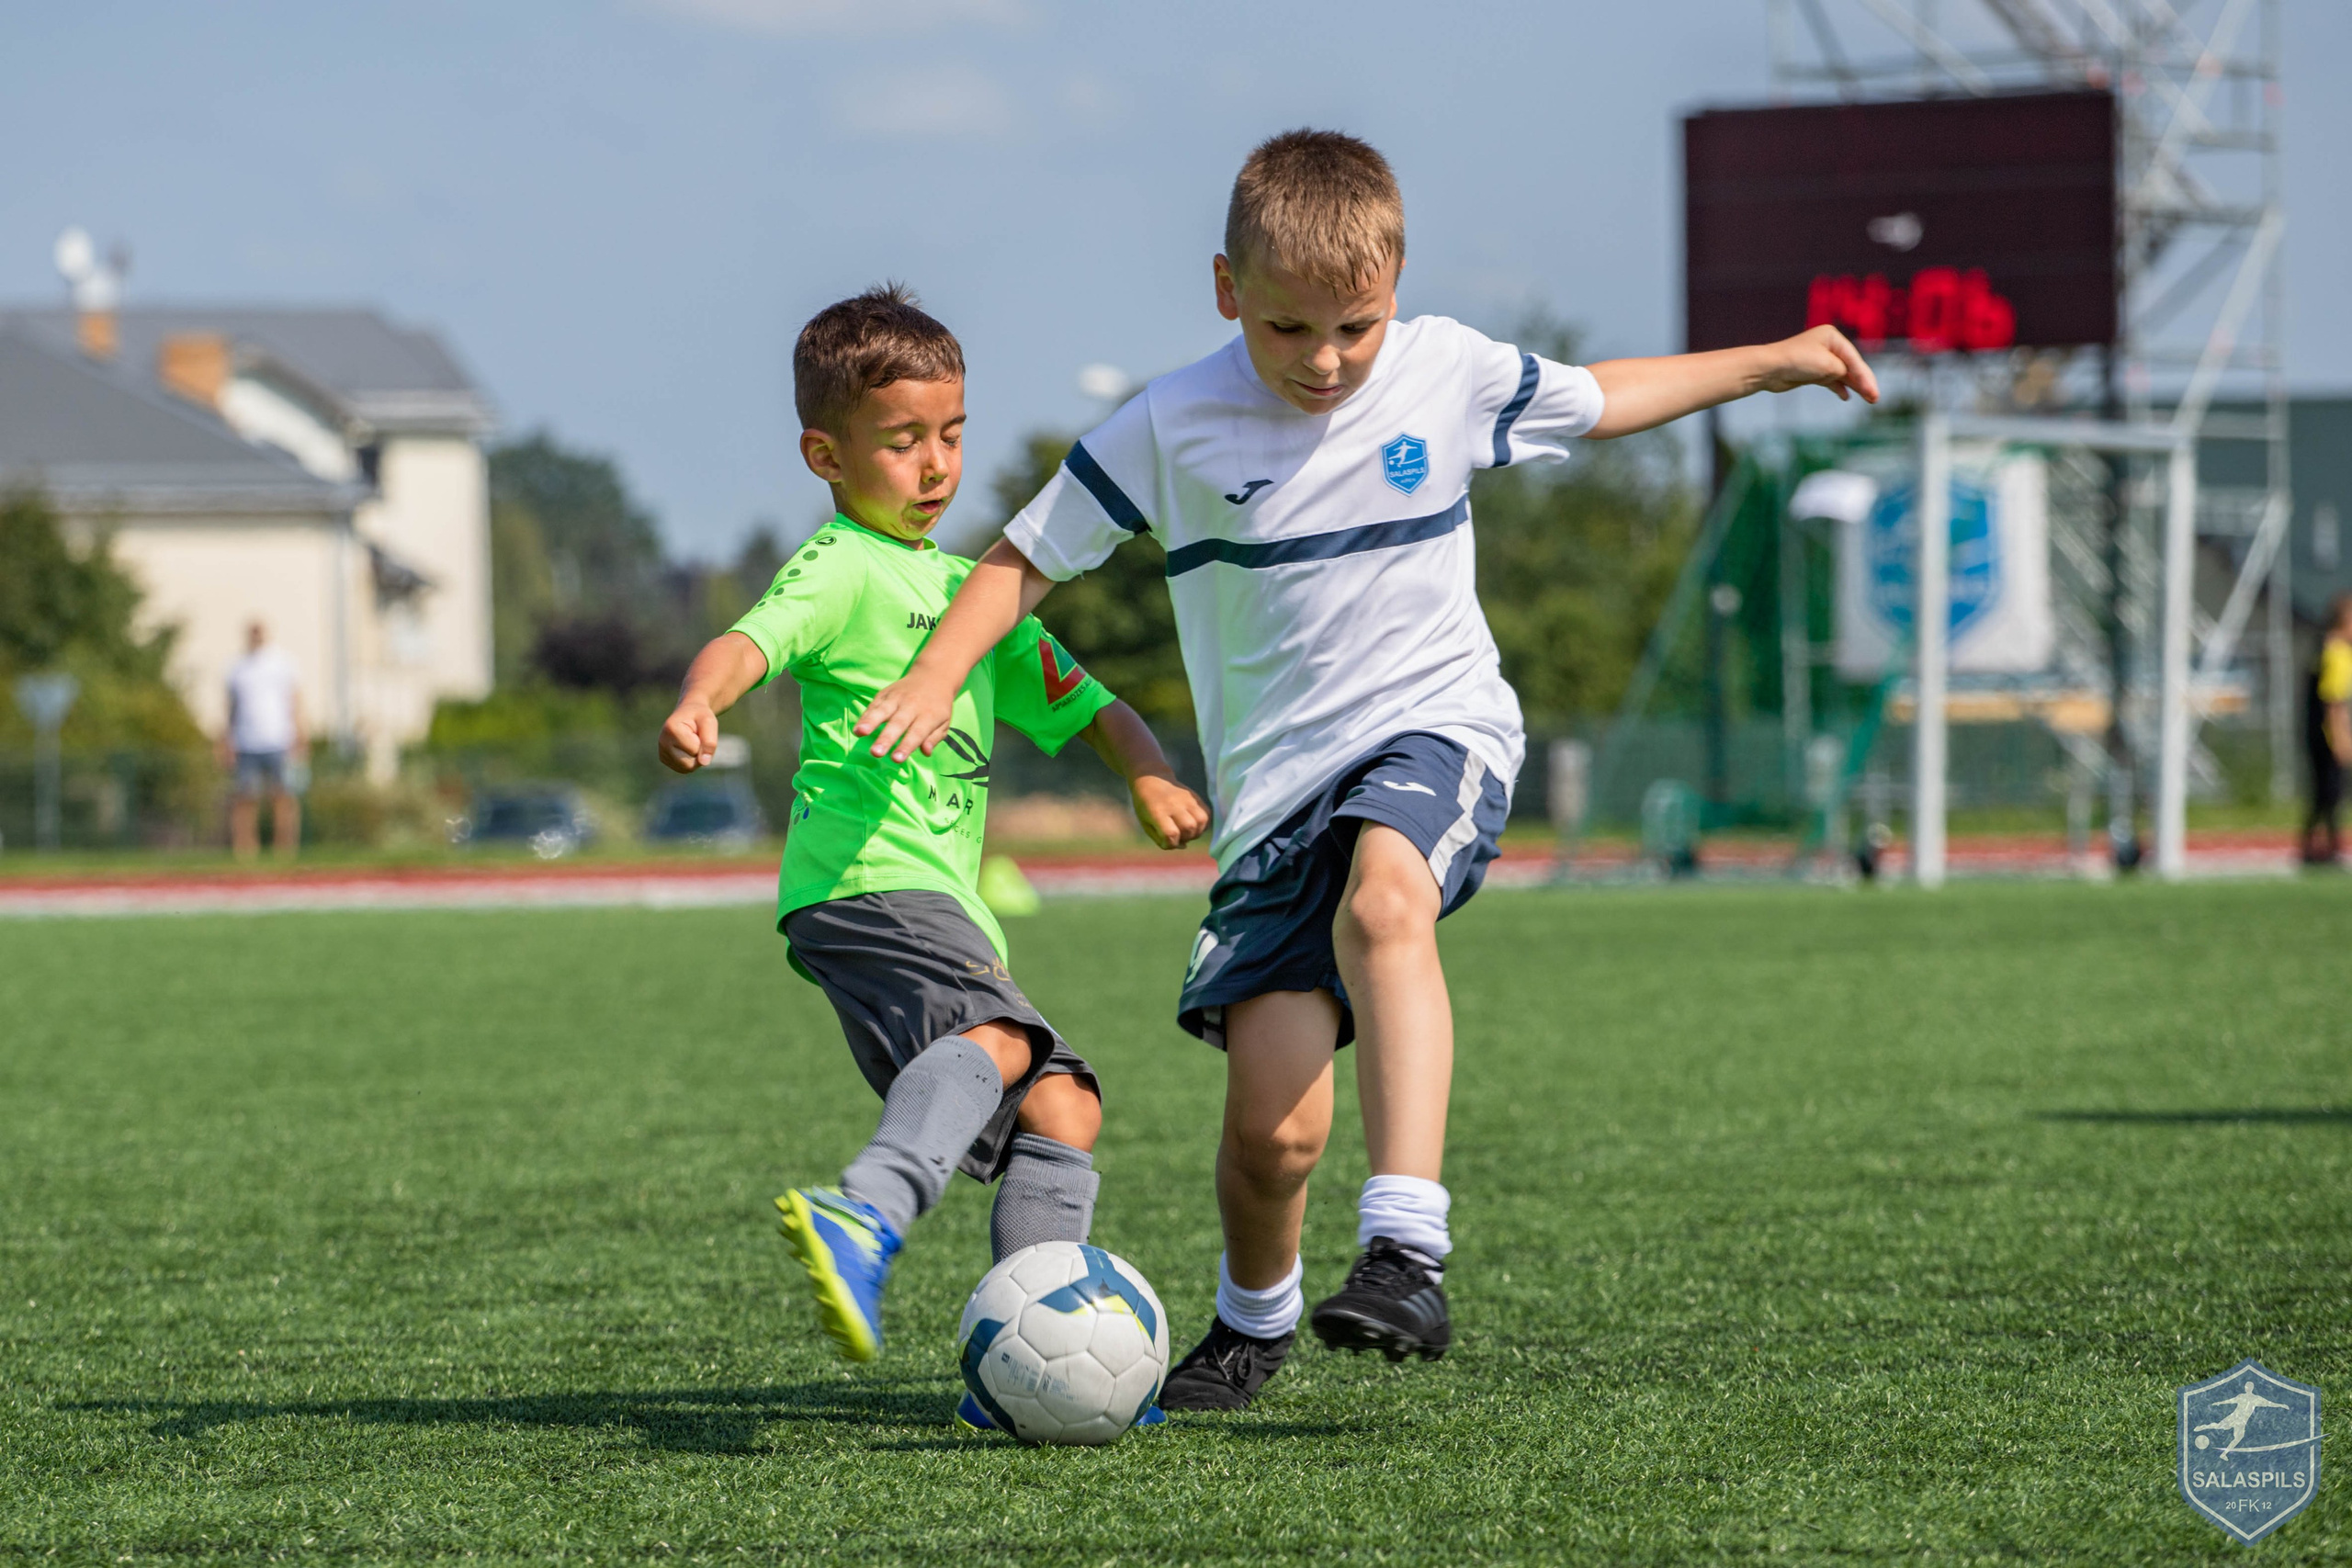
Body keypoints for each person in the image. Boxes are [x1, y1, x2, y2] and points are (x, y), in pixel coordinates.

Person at [854, 130, 1876, 1411]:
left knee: (1388, 901)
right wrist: (940, 672)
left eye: (1356, 327)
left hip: (1432, 731)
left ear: (1397, 288)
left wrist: (1771, 363)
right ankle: (1252, 1320)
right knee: (1273, 1138)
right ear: (1227, 290)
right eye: (1289, 330)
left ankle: (1407, 1245)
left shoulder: (1446, 370)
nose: (1326, 361)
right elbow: (1019, 559)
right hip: (1274, 802)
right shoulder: (1169, 422)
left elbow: (1604, 398)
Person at [654, 286, 1209, 1428]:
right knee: (998, 1037)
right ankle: (866, 1212)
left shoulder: (977, 599)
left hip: (937, 906)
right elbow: (746, 641)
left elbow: (1097, 707)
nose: (935, 464)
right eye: (902, 442)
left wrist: (1147, 772)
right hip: (864, 884)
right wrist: (700, 702)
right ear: (827, 453)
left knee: (1065, 1112)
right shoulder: (844, 566)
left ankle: (1020, 1363)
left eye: (952, 435)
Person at [220, 620, 306, 862]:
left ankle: (285, 848)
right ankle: (246, 849)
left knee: (283, 796)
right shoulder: (236, 667)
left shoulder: (282, 663)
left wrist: (299, 734)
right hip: (246, 741)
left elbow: (295, 700)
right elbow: (230, 707)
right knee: (245, 798)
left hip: (279, 738)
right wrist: (226, 739)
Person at [2300, 592, 2352, 867]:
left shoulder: (2320, 647)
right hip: (2326, 733)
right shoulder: (2338, 653)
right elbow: (2334, 701)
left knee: (2321, 793)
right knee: (2331, 792)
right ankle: (2330, 848)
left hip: (2312, 731)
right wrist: (2342, 738)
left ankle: (2310, 847)